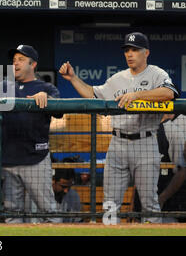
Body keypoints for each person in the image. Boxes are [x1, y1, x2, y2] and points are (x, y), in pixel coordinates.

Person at [59, 32, 179, 223]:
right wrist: (73, 78)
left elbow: (170, 93)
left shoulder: (157, 73)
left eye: (135, 50)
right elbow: (93, 95)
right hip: (117, 143)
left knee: (149, 203)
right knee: (110, 203)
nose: (130, 54)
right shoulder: (117, 78)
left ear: (146, 52)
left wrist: (137, 95)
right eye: (127, 50)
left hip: (145, 142)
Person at [0, 43, 62, 223]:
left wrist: (47, 98)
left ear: (33, 64)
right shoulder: (3, 86)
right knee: (12, 216)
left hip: (35, 158)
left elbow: (59, 108)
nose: (16, 63)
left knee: (50, 213)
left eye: (21, 60)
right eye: (14, 60)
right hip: (9, 160)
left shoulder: (45, 87)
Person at [156, 114, 186, 221]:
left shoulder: (175, 128)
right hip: (150, 198)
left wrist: (162, 198)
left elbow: (182, 170)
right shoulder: (145, 129)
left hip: (173, 204)